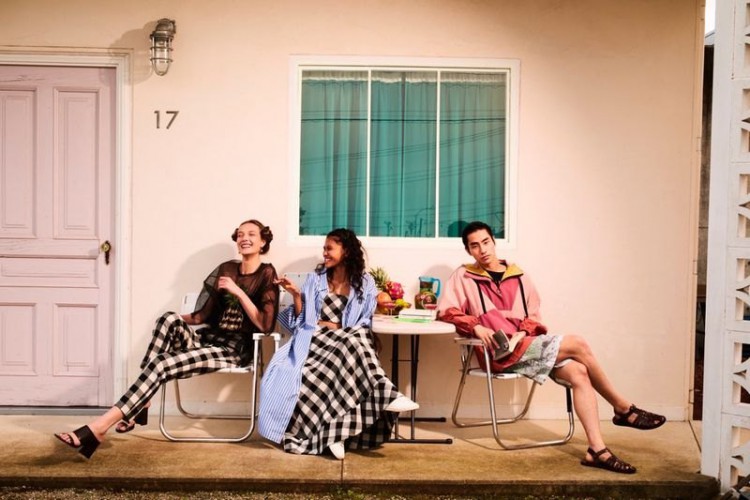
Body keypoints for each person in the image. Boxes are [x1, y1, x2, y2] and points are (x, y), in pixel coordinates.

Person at [437, 221, 665, 474]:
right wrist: (476, 327)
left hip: (526, 346)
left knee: (579, 371)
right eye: (474, 246)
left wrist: (523, 332)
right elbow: (446, 311)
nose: (482, 250)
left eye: (486, 242)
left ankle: (596, 450)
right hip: (498, 354)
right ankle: (623, 408)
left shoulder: (519, 276)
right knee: (578, 343)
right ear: (468, 250)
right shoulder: (463, 276)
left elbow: (534, 316)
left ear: (494, 241)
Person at [54, 219, 279, 459]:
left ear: (262, 241)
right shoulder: (226, 268)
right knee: (168, 317)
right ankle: (141, 403)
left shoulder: (267, 273)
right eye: (240, 234)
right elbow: (201, 316)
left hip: (233, 350)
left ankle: (98, 428)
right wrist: (169, 320)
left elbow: (265, 325)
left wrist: (238, 291)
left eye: (251, 234)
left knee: (161, 363)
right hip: (206, 340)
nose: (244, 238)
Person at [258, 228, 418, 460]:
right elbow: (303, 322)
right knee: (345, 345)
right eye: (324, 248)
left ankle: (336, 434)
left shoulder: (365, 283)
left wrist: (343, 329)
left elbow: (365, 321)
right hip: (315, 342)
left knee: (354, 337)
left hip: (347, 342)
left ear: (346, 251)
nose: (325, 253)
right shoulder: (315, 279)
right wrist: (296, 295)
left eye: (329, 248)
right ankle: (386, 394)